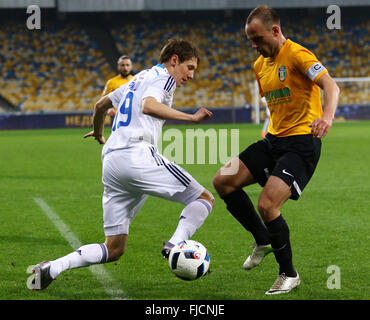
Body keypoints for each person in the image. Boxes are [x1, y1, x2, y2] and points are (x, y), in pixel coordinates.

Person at [29, 38, 214, 290]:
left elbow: (100, 105)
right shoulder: (164, 77)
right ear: (174, 60)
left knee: (113, 247)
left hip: (112, 162)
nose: (191, 75)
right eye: (190, 67)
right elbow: (149, 106)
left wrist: (97, 132)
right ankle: (175, 244)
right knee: (204, 198)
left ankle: (53, 267)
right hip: (137, 154)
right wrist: (191, 118)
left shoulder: (135, 80)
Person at [213, 5, 339, 295]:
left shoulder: (297, 54)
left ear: (275, 31)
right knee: (223, 180)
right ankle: (262, 239)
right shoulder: (260, 66)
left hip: (301, 144)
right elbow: (278, 101)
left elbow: (331, 86)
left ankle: (289, 274)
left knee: (268, 205)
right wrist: (269, 125)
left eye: (257, 39)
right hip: (274, 140)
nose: (254, 46)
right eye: (250, 41)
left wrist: (327, 117)